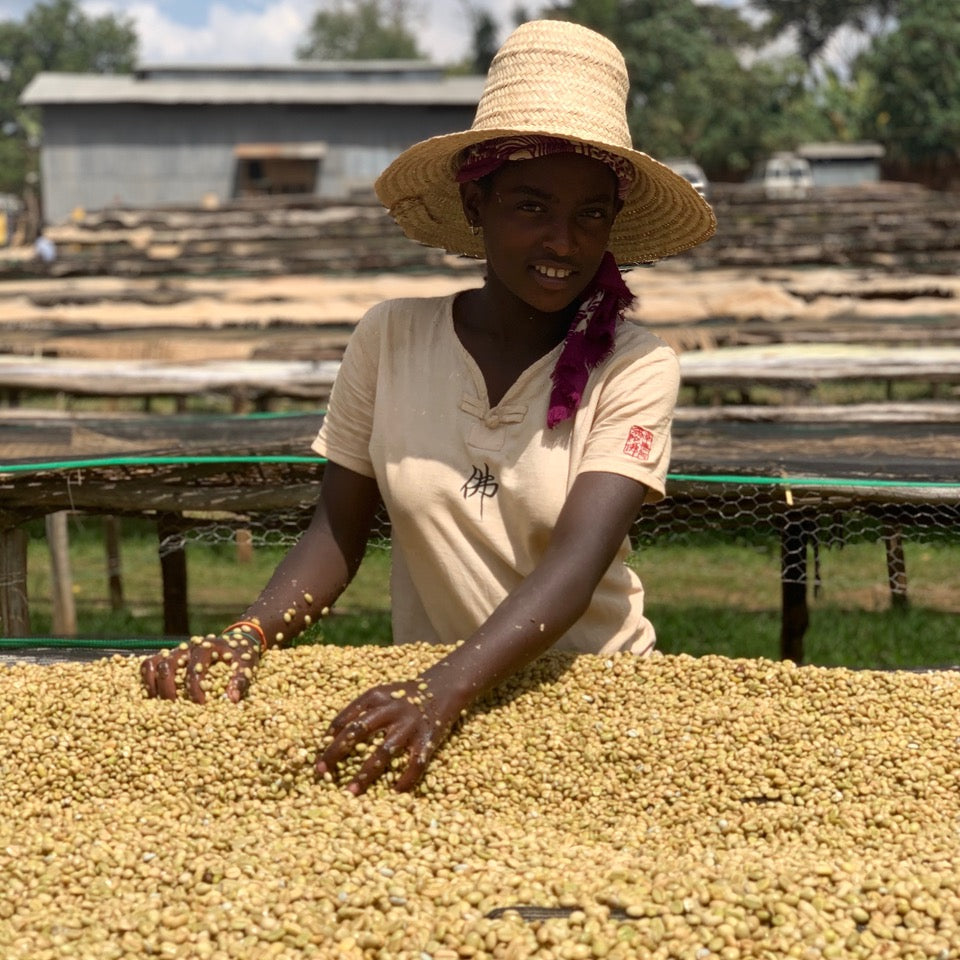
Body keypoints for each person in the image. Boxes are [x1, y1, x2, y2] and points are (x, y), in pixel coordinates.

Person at [141, 18, 716, 794]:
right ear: (476, 206)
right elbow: (337, 535)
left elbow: (575, 568)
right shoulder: (392, 337)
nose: (563, 241)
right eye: (531, 207)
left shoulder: (635, 365)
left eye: (590, 214)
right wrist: (249, 635)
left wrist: (447, 687)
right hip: (437, 688)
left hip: (592, 698)